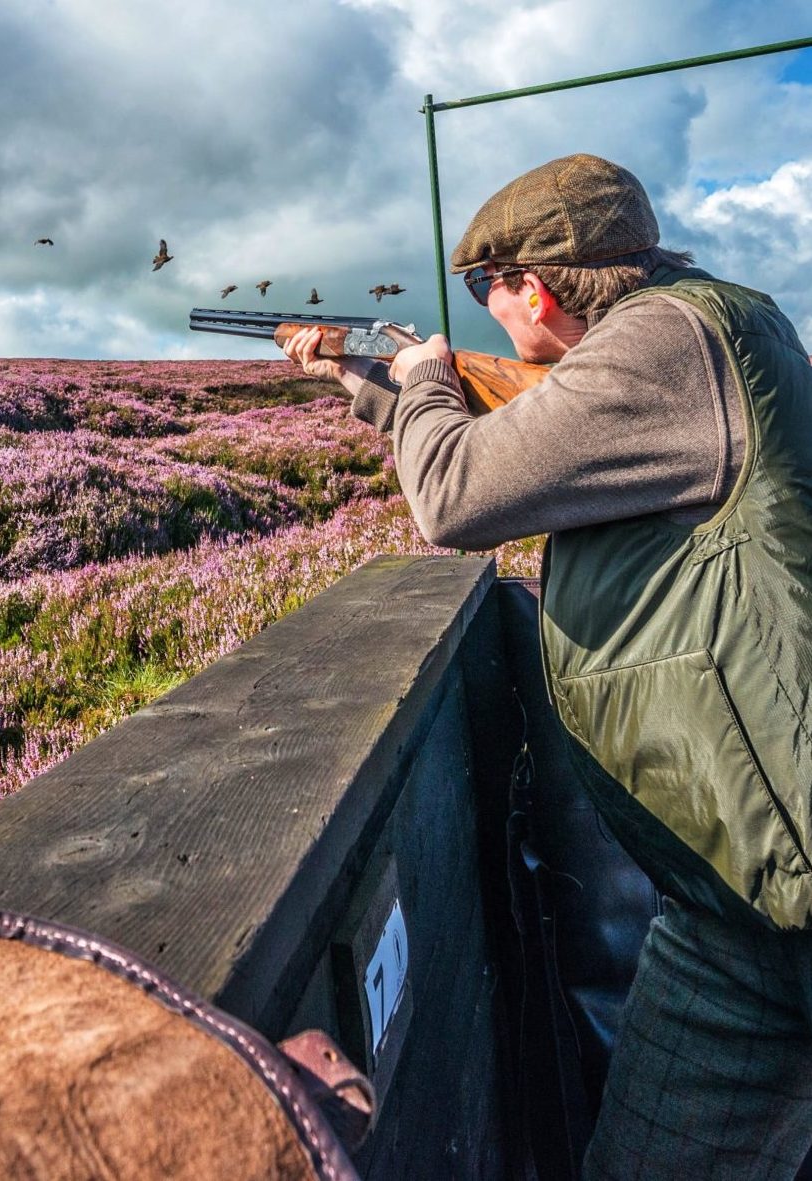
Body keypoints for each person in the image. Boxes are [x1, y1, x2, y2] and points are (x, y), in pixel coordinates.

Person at [282, 153, 812, 1179]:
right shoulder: (686, 344)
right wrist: (367, 384)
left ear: (534, 285)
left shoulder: (669, 338)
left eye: (487, 295)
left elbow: (458, 498)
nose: (488, 322)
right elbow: (527, 451)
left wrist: (428, 377)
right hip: (726, 901)